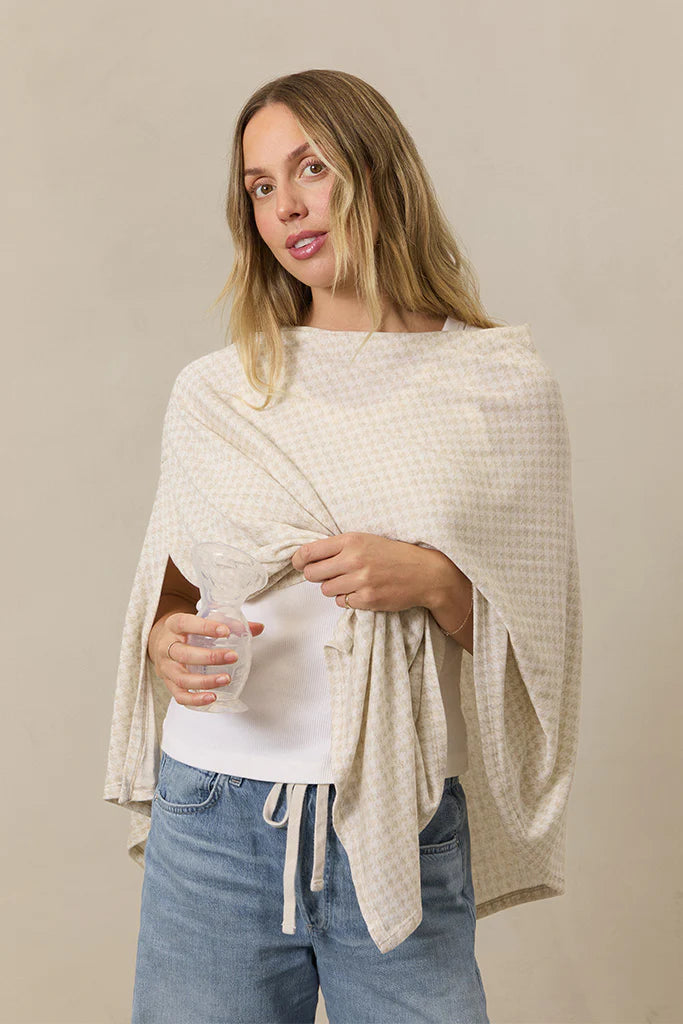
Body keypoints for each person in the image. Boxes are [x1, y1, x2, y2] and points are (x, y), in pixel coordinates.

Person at [120, 69, 579, 1024]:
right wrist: (165, 642)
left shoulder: (495, 384)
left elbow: (541, 637)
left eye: (311, 168)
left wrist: (434, 580)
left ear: (377, 172)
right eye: (260, 186)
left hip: (398, 816)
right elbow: (175, 596)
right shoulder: (218, 390)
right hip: (212, 813)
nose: (285, 206)